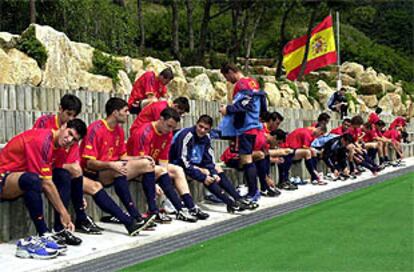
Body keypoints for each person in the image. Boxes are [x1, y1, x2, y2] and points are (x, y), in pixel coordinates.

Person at [0, 119, 87, 258]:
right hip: (3, 176)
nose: (69, 140)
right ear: (63, 126)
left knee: (63, 174)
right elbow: (46, 182)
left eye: (74, 140)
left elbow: (53, 173)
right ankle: (43, 234)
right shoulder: (42, 140)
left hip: (18, 177)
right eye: (69, 133)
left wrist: (79, 196)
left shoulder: (59, 147)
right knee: (33, 180)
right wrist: (64, 212)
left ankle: (59, 230)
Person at [80, 97, 156, 236]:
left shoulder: (119, 131)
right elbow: (89, 163)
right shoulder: (95, 129)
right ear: (115, 112)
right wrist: (111, 164)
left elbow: (123, 156)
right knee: (119, 170)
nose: (128, 114)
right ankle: (135, 216)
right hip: (92, 172)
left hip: (111, 169)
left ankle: (153, 211)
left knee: (147, 164)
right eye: (125, 111)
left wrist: (140, 157)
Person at [33, 94, 101, 244]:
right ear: (60, 109)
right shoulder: (44, 122)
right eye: (68, 114)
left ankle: (73, 222)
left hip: (56, 167)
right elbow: (37, 148)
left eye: (74, 115)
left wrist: (79, 192)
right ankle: (63, 226)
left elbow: (70, 161)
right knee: (63, 175)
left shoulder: (73, 132)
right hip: (39, 165)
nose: (70, 118)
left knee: (70, 172)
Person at [127, 107, 209, 222]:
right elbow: (141, 163)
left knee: (177, 170)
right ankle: (165, 210)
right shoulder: (144, 132)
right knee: (153, 167)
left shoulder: (168, 133)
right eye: (168, 126)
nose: (170, 130)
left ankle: (190, 207)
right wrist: (154, 182)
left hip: (151, 166)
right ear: (160, 119)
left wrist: (161, 177)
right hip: (134, 166)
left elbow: (163, 161)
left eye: (173, 128)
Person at [169, 115, 258, 213]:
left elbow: (209, 159)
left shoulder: (206, 137)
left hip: (194, 163)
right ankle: (230, 203)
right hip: (179, 164)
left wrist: (214, 173)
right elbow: (182, 160)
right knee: (205, 173)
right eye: (200, 126)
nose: (202, 130)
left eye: (206, 129)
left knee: (217, 168)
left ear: (209, 129)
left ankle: (238, 199)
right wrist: (203, 176)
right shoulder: (187, 135)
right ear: (196, 124)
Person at [219, 63, 267, 202]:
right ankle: (256, 190)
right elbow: (261, 103)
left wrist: (227, 110)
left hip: (246, 127)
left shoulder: (241, 85)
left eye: (226, 76)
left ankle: (253, 192)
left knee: (246, 159)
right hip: (255, 126)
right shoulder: (253, 82)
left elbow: (245, 105)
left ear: (230, 72)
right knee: (250, 158)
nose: (227, 80)